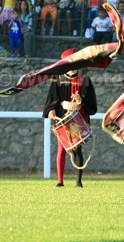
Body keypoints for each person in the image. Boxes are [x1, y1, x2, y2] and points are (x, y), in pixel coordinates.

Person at [43, 48, 97, 188]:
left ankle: (78, 182)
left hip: (79, 117)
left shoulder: (84, 79)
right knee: (62, 149)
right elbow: (52, 99)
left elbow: (91, 102)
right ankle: (60, 181)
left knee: (77, 149)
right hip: (63, 117)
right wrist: (51, 111)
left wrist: (81, 100)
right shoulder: (58, 79)